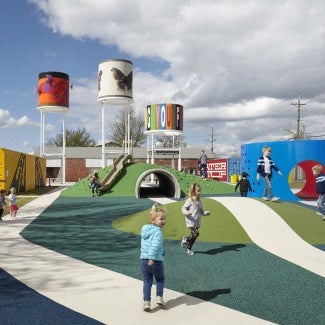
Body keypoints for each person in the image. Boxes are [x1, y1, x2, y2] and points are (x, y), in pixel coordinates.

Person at [140, 203, 166, 312]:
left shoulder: (145, 229)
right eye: (161, 219)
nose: (164, 221)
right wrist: (151, 258)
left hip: (143, 261)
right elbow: (154, 246)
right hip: (154, 261)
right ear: (153, 219)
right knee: (160, 279)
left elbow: (146, 245)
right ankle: (159, 297)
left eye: (165, 219)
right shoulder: (158, 232)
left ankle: (146, 302)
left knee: (147, 281)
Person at [181, 183, 210, 255]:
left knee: (194, 237)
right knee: (196, 234)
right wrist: (187, 212)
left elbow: (201, 211)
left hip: (197, 221)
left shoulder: (199, 201)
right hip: (190, 221)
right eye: (198, 191)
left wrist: (206, 213)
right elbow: (183, 208)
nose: (200, 192)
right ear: (193, 191)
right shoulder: (190, 200)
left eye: (200, 191)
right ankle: (186, 239)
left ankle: (188, 249)